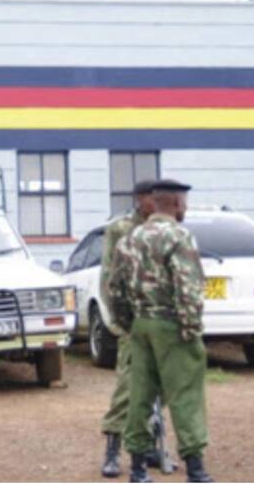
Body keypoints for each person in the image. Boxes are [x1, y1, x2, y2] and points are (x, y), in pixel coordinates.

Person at [109, 179, 212, 483]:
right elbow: (188, 289)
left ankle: (138, 469)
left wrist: (129, 324)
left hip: (140, 325)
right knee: (186, 395)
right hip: (172, 325)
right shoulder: (180, 237)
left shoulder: (130, 238)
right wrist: (191, 329)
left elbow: (114, 288)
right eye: (185, 203)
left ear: (153, 203)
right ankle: (196, 469)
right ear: (177, 204)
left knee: (140, 395)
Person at [97, 179, 157, 478]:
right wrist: (120, 322)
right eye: (150, 197)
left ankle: (149, 446)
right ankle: (112, 447)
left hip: (160, 321)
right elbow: (108, 278)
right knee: (126, 388)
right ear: (138, 198)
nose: (154, 202)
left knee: (158, 388)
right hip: (132, 322)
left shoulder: (164, 229)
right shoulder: (121, 229)